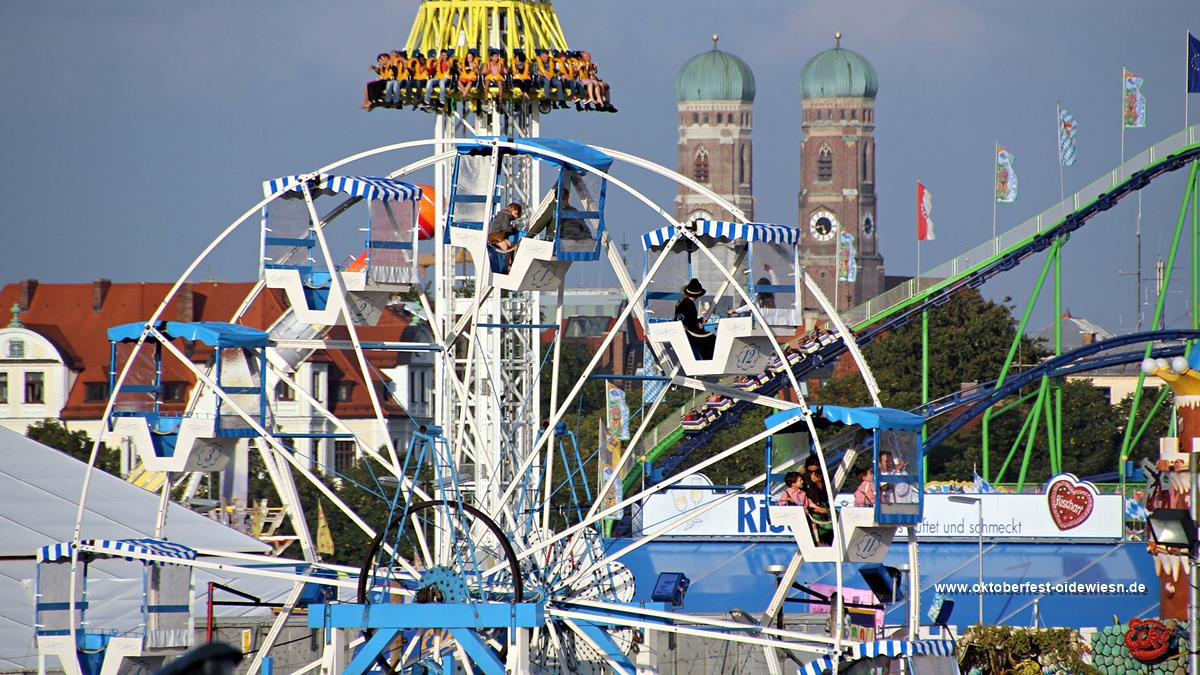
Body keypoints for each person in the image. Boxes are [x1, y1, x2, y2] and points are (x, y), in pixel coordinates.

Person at [674, 278, 717, 360]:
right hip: (689, 334)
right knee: (713, 340)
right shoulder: (688, 304)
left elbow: (686, 320)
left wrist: (699, 322)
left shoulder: (682, 302)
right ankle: (709, 362)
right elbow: (688, 323)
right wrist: (699, 322)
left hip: (683, 332)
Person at [802, 456, 834, 545]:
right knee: (819, 525)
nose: (813, 474)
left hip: (822, 504)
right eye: (811, 471)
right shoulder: (803, 478)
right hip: (811, 507)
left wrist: (818, 482)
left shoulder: (823, 477)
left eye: (815, 471)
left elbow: (826, 493)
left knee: (831, 524)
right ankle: (818, 541)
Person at [487, 202, 523, 273]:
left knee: (514, 246)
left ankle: (511, 264)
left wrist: (513, 229)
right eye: (516, 215)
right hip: (495, 235)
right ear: (514, 211)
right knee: (507, 248)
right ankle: (506, 268)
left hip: (498, 236)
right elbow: (506, 228)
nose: (516, 217)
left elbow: (504, 228)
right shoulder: (506, 215)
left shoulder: (504, 215)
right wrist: (514, 228)